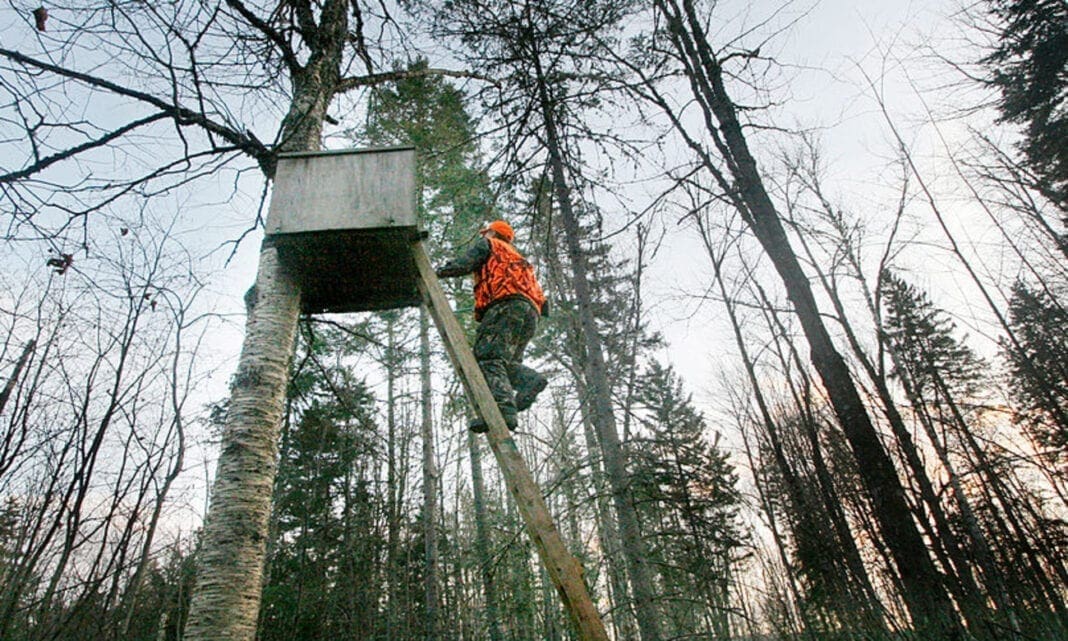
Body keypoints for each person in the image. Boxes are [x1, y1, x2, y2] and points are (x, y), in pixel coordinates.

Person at [436, 220, 548, 432]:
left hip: (505, 305)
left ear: (492, 233)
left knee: (488, 358)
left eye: (486, 232)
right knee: (504, 364)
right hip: (531, 313)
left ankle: (504, 411)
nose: (483, 236)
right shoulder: (521, 260)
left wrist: (440, 271)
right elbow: (545, 304)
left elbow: (465, 264)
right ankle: (525, 387)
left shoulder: (490, 245)